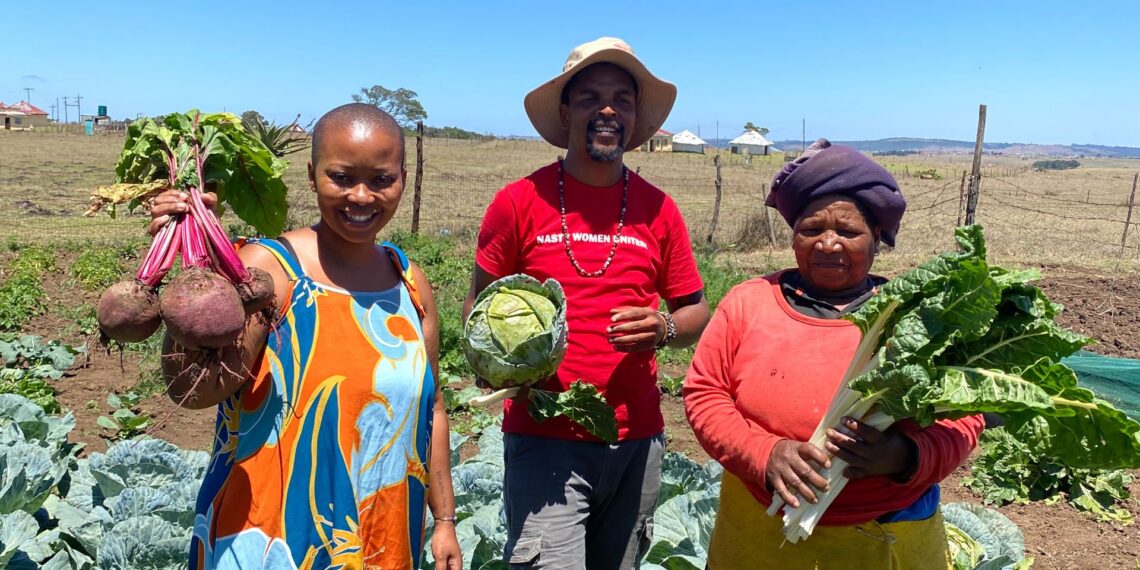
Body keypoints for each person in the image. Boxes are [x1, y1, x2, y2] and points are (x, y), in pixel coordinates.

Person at [149, 104, 462, 570]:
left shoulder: (409, 282)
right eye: (342, 177)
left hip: (384, 538)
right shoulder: (270, 271)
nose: (361, 196)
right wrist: (192, 284)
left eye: (381, 179)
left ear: (403, 178)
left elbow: (432, 408)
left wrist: (444, 521)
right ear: (312, 175)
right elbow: (195, 390)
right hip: (268, 540)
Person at [464, 37, 711, 569]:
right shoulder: (518, 202)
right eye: (590, 98)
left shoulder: (659, 210)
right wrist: (493, 364)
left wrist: (664, 327)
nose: (608, 111)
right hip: (545, 439)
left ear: (634, 118)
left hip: (636, 439)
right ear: (565, 112)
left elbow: (696, 312)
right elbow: (477, 306)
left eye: (622, 100)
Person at [683, 139, 985, 569]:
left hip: (885, 535)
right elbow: (705, 394)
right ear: (793, 236)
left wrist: (904, 456)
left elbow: (963, 416)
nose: (827, 243)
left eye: (847, 231)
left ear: (877, 238)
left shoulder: (916, 316)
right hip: (756, 528)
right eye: (811, 229)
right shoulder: (749, 301)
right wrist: (764, 454)